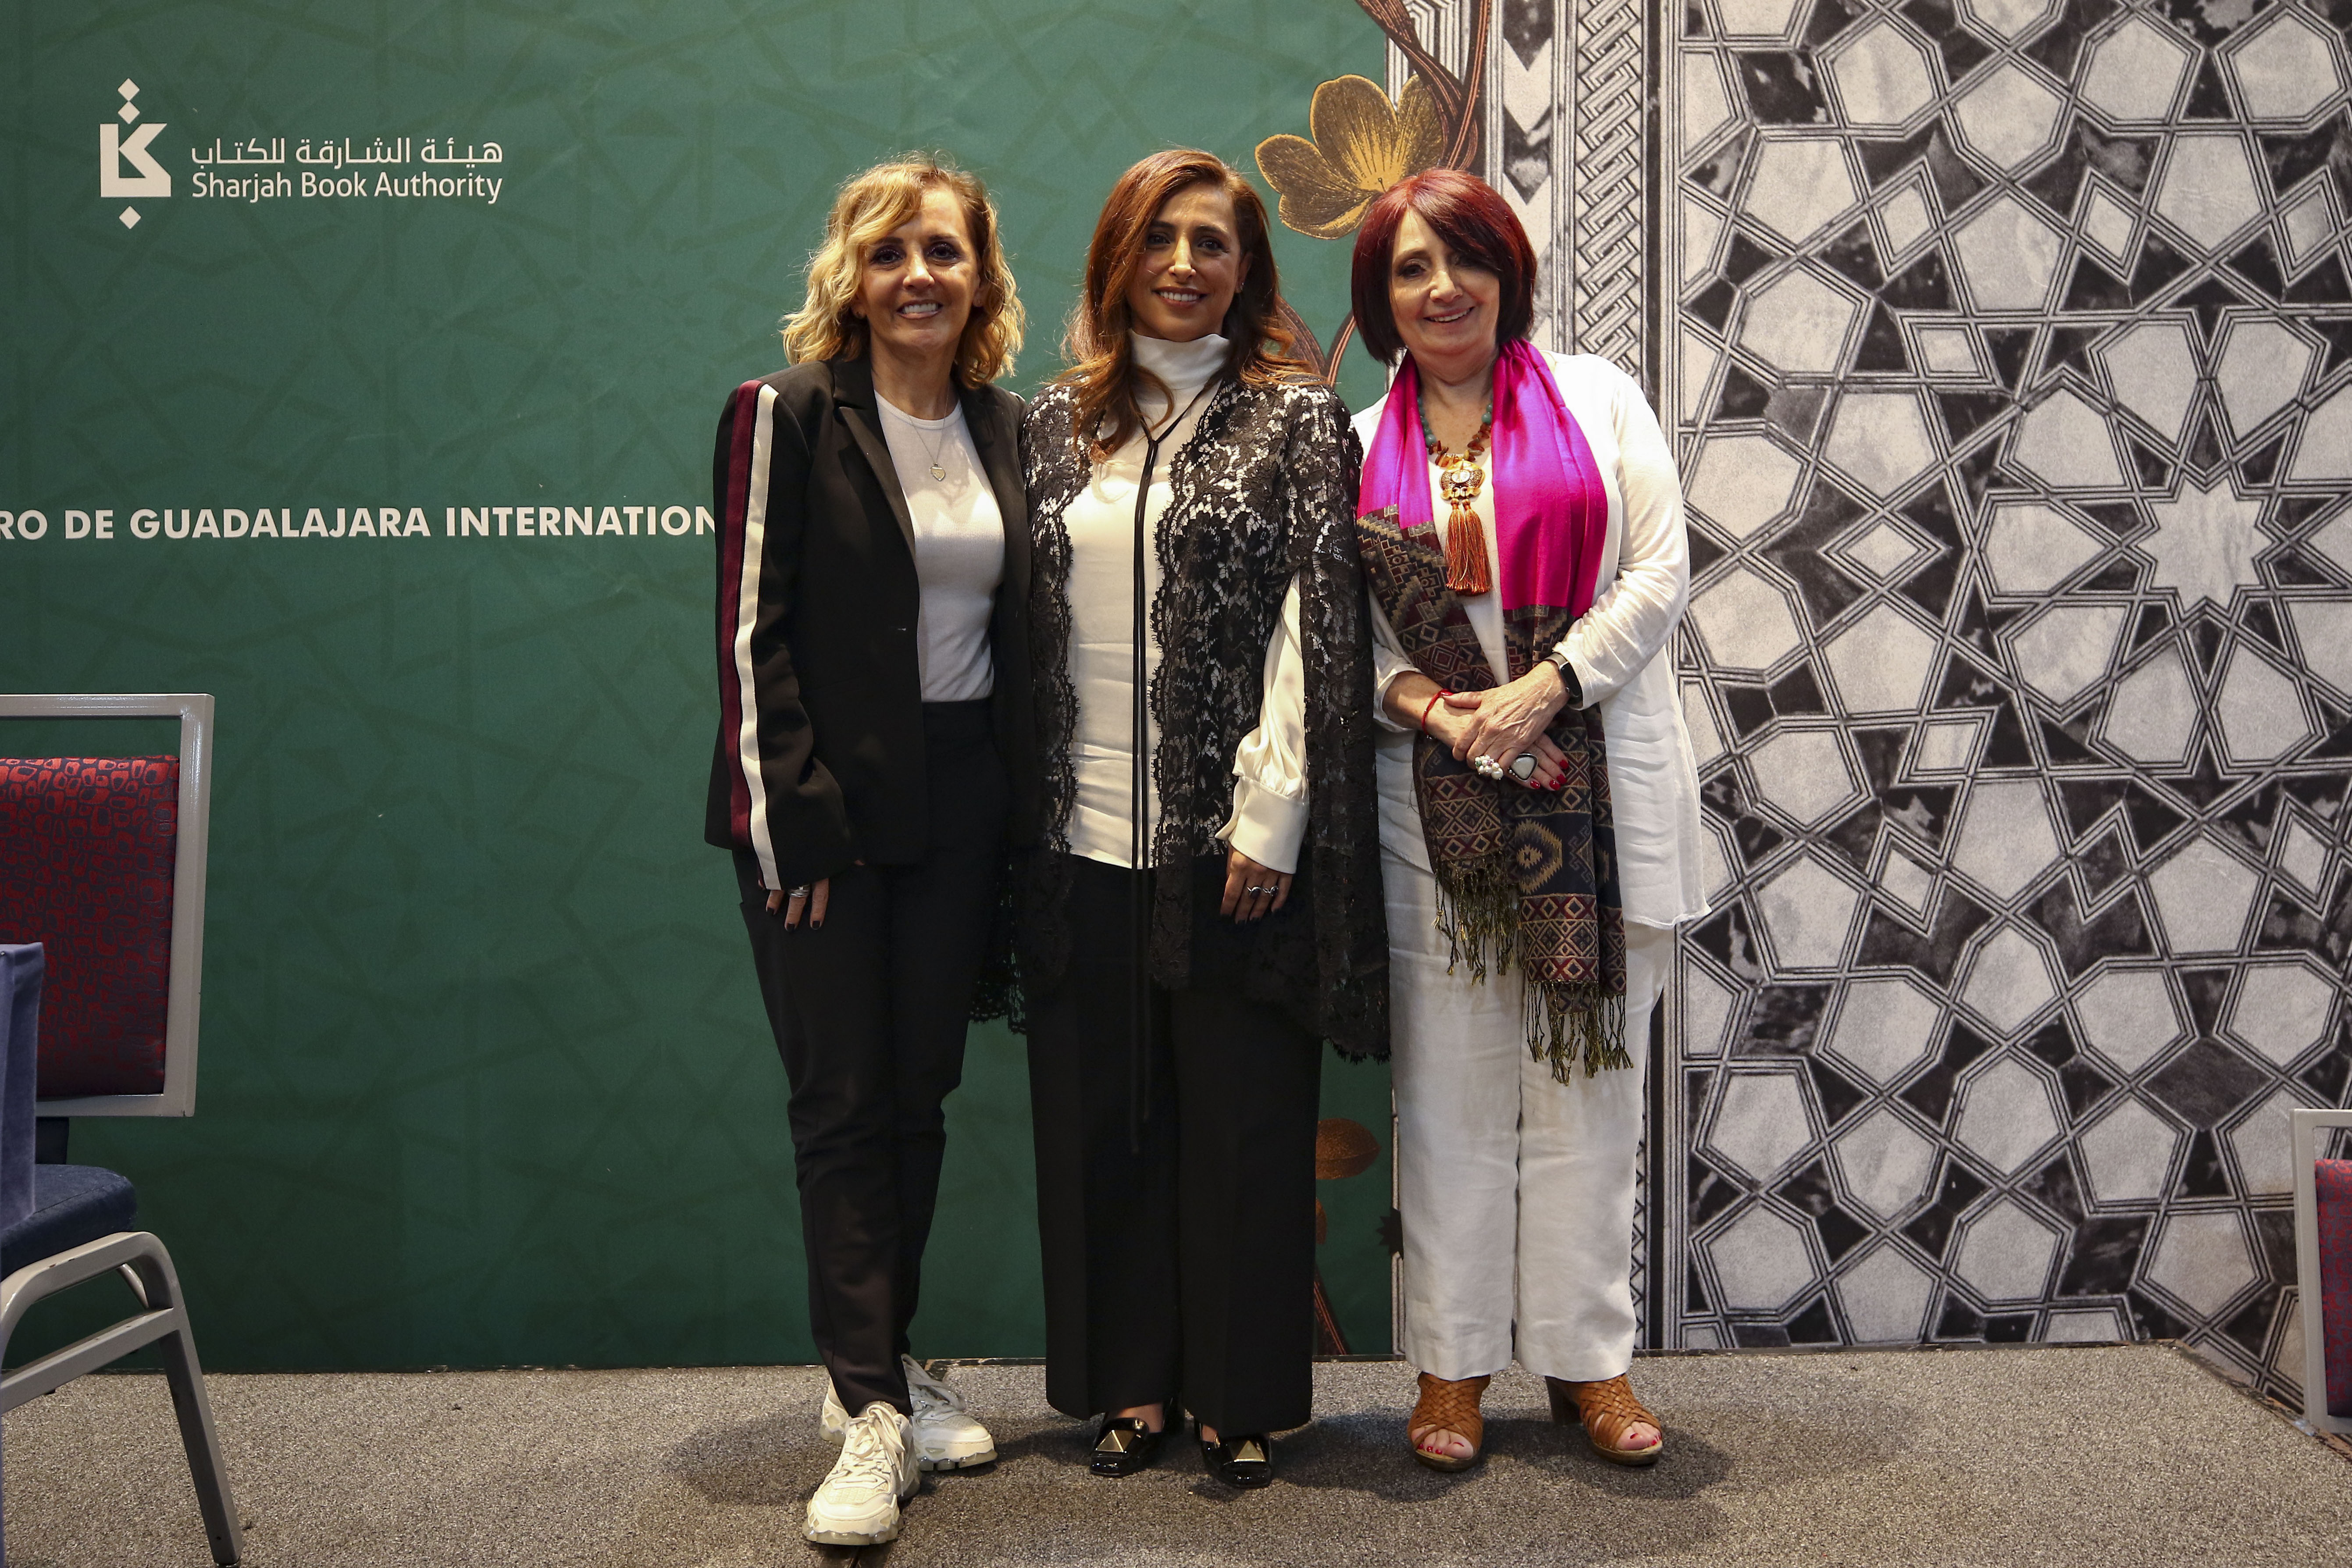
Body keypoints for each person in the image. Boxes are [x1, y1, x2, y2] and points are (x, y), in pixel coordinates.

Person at [1016, 148, 1387, 1490]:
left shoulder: (1295, 420)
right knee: (1100, 1126)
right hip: (1075, 841)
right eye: (1158, 237)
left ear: (1247, 269)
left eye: (1211, 242)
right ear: (1115, 257)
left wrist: (1272, 816)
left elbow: (1316, 622)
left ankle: (1240, 1398)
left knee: (1241, 1127)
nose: (1182, 263)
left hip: (1234, 850)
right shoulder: (1045, 424)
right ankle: (1126, 1385)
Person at [1347, 169, 1706, 1472]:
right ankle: (1451, 1367)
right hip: (1432, 811)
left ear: (1508, 271)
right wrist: (1450, 717)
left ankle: (1588, 1363)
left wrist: (1546, 688)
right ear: (1379, 298)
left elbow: (1659, 570)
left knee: (1589, 1098)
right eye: (1410, 268)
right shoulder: (1354, 444)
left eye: (1466, 259)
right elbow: (1344, 643)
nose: (1442, 288)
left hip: (1603, 793)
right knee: (1447, 1102)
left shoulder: (1599, 399)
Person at [705, 154, 1036, 1547]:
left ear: (979, 275)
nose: (919, 276)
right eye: (891, 251)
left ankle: (885, 1362)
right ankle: (866, 1416)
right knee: (842, 1107)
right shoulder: (783, 414)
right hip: (823, 813)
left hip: (963, 809)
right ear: (852, 272)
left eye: (944, 252)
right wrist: (791, 828)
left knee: (916, 1100)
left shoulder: (1009, 427)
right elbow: (748, 637)